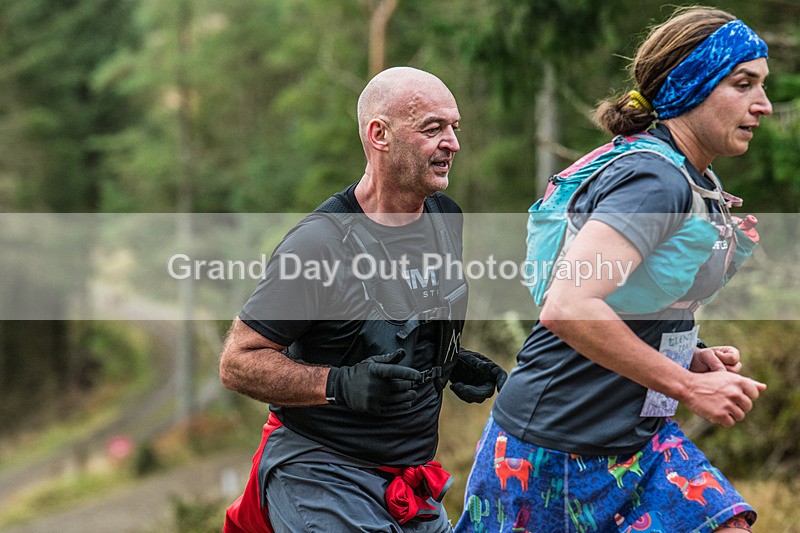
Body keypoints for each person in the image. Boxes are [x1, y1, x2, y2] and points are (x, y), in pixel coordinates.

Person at [456, 7, 770, 533]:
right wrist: (689, 389)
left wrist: (687, 353)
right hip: (554, 449)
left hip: (636, 443)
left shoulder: (689, 176)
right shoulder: (654, 180)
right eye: (744, 84)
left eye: (762, 86)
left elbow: (628, 296)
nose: (761, 105)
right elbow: (568, 305)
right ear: (693, 84)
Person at [220, 66, 507, 533]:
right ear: (380, 135)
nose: (452, 142)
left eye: (455, 127)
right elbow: (237, 362)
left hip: (408, 484)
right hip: (322, 475)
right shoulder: (319, 246)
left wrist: (448, 361)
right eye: (433, 128)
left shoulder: (444, 218)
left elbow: (399, 320)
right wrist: (338, 384)